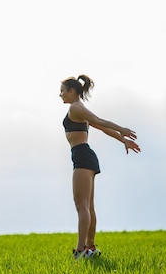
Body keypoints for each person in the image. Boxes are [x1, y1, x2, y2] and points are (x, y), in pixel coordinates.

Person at [60, 74, 141, 260]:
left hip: (82, 156)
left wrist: (122, 130)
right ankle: (90, 248)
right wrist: (123, 140)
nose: (60, 95)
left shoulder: (75, 107)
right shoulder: (79, 109)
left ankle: (81, 251)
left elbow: (100, 121)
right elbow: (101, 126)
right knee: (88, 206)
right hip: (85, 156)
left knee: (82, 206)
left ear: (72, 91)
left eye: (62, 91)